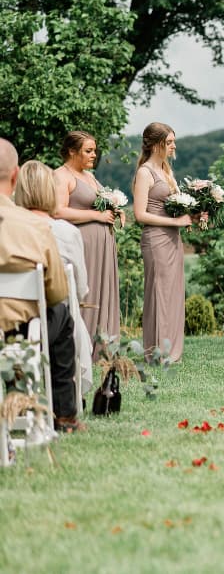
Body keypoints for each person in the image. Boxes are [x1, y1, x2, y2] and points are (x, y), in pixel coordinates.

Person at [0, 139, 83, 433]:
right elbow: (57, 291)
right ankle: (65, 416)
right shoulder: (35, 227)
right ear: (14, 177)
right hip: (21, 331)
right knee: (62, 316)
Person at [14, 160, 94, 395]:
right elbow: (79, 290)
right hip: (55, 321)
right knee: (68, 315)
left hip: (12, 319)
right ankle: (67, 402)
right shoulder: (67, 232)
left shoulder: (7, 229)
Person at [53, 130, 123, 353]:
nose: (94, 155)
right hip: (83, 244)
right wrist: (97, 216)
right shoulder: (61, 176)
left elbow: (96, 203)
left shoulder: (89, 176)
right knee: (87, 292)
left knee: (102, 291)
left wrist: (114, 209)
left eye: (95, 150)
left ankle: (103, 346)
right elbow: (58, 211)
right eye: (88, 151)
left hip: (103, 245)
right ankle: (82, 349)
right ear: (72, 151)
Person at [132, 123, 193, 363]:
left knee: (173, 294)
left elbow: (177, 205)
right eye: (169, 142)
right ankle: (157, 351)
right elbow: (140, 215)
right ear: (157, 144)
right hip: (156, 240)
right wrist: (177, 222)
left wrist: (194, 214)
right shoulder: (145, 173)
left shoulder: (167, 171)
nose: (173, 146)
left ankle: (172, 351)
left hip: (172, 240)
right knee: (158, 293)